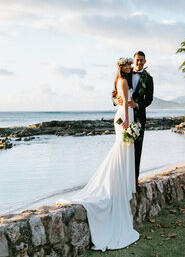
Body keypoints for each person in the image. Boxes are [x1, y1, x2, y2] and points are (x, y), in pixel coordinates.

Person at [62, 57, 139, 251]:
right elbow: (121, 103)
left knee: (123, 150)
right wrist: (128, 122)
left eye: (130, 64)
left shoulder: (124, 81)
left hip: (125, 116)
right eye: (126, 65)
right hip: (124, 119)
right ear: (121, 67)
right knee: (121, 149)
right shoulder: (122, 81)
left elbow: (122, 99)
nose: (129, 67)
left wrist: (129, 105)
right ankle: (115, 184)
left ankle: (118, 183)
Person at [117, 51, 154, 182]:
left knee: (137, 148)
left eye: (141, 60)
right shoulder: (125, 73)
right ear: (133, 61)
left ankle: (134, 180)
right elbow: (115, 92)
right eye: (137, 60)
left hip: (139, 117)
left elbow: (149, 99)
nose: (139, 62)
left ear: (145, 61)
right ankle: (122, 178)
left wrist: (136, 104)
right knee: (124, 146)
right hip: (125, 116)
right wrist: (117, 101)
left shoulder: (149, 79)